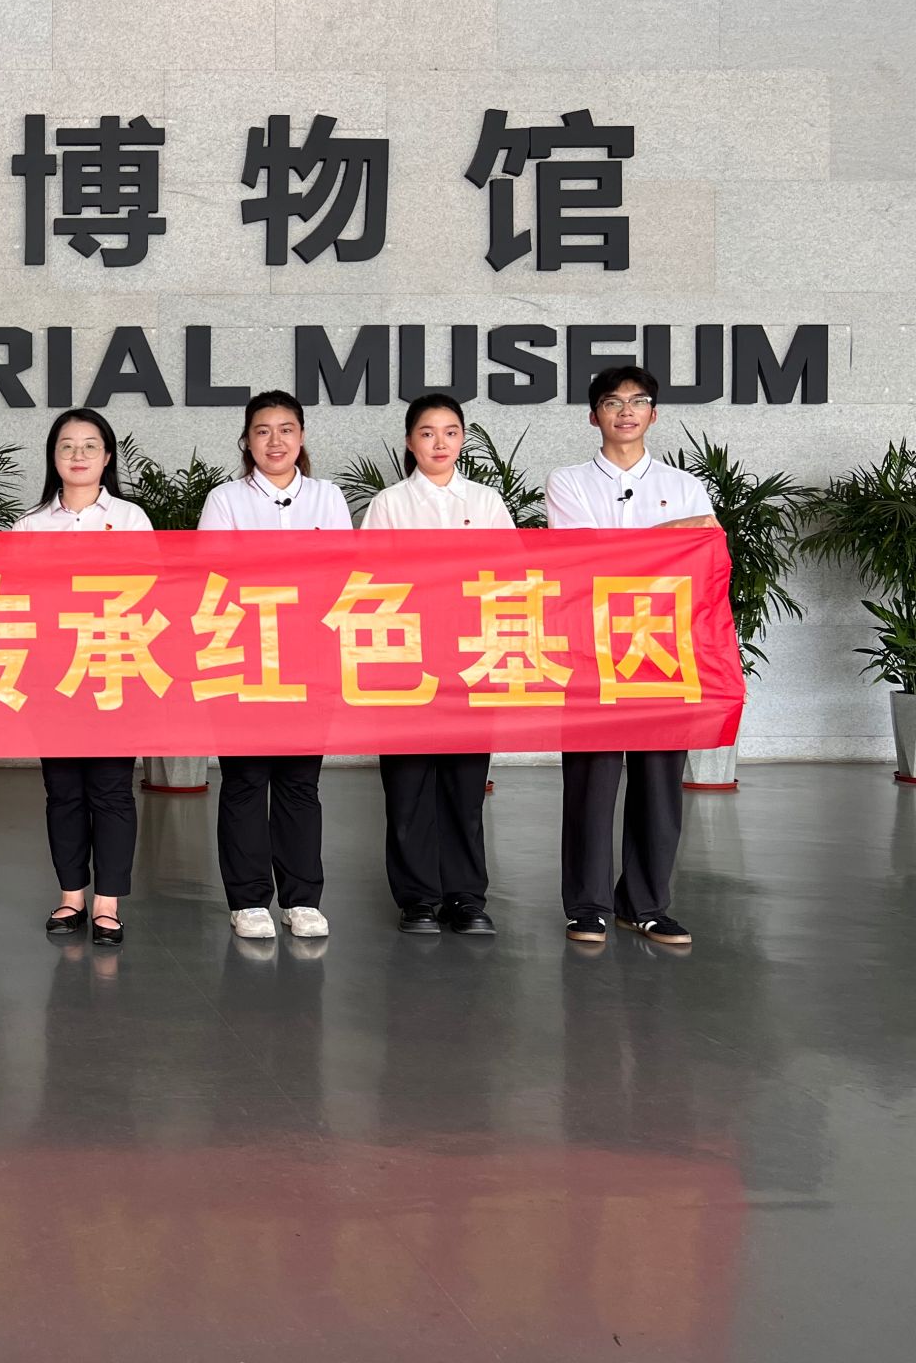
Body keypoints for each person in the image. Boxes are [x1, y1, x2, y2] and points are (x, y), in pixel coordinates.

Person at [545, 364, 716, 948]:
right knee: (591, 781)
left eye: (638, 401)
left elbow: (702, 558)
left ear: (654, 414)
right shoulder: (568, 482)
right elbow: (582, 559)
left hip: (662, 647)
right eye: (613, 402)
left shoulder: (686, 485)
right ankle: (587, 905)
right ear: (593, 415)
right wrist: (672, 534)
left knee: (659, 780)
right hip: (589, 648)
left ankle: (645, 904)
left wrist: (644, 546)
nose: (626, 411)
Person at [197, 390, 353, 941]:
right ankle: (247, 901)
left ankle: (302, 899)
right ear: (247, 441)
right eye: (262, 431)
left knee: (299, 781)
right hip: (242, 656)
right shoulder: (224, 500)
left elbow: (340, 572)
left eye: (286, 429)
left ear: (302, 436)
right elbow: (214, 576)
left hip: (309, 656)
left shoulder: (328, 497)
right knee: (245, 779)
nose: (275, 441)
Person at [361, 393, 515, 936]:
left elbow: (510, 575)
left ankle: (466, 898)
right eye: (427, 433)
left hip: (471, 659)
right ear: (410, 442)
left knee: (464, 789)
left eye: (450, 432)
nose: (440, 443)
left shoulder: (487, 501)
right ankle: (418, 899)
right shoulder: (389, 504)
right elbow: (370, 581)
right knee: (407, 788)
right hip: (406, 661)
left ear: (463, 438)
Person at [14, 408, 151, 947]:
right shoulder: (30, 525)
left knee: (112, 789)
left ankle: (107, 902)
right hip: (52, 674)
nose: (78, 455)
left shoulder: (132, 519)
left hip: (114, 667)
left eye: (90, 445)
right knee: (63, 790)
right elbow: (19, 601)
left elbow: (148, 592)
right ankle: (71, 896)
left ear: (107, 456)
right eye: (67, 446)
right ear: (53, 457)